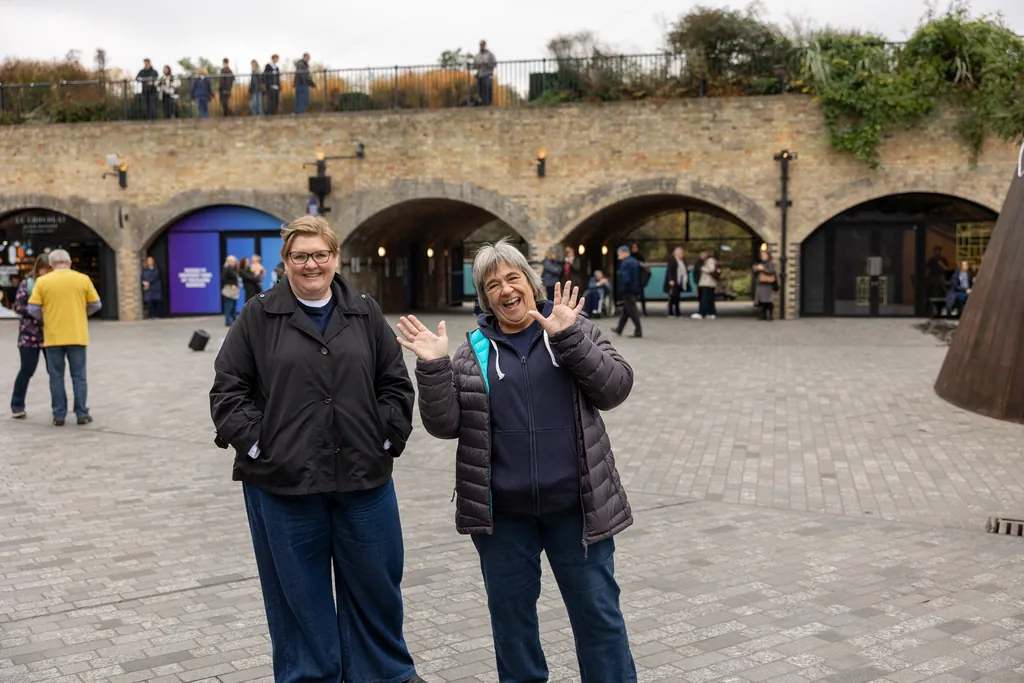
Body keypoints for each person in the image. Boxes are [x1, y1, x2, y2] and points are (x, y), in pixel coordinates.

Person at [398, 237, 637, 683]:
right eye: (493, 285)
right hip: (504, 518)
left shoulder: (572, 329)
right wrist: (433, 366)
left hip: (577, 510)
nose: (505, 290)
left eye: (512, 278)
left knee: (598, 619)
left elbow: (615, 389)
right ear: (484, 297)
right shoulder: (473, 351)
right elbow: (445, 424)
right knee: (513, 628)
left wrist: (568, 337)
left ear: (530, 282)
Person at [210, 215, 426, 683]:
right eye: (300, 256)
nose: (311, 264)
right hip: (283, 483)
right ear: (284, 262)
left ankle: (386, 675)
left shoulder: (364, 312)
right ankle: (310, 677)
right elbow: (228, 392)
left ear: (335, 257)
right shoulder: (258, 315)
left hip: (363, 477)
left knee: (376, 586)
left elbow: (394, 383)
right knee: (298, 597)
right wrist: (259, 446)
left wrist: (386, 437)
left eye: (320, 255)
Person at [26, 249, 102, 427]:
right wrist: (82, 313)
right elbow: (96, 304)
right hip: (77, 333)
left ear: (51, 265)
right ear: (69, 263)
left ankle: (59, 414)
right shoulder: (82, 279)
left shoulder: (43, 282)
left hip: (53, 335)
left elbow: (33, 309)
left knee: (56, 377)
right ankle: (81, 413)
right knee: (79, 376)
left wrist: (46, 317)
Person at [10, 254, 51, 419]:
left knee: (54, 372)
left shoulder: (53, 285)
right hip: (29, 335)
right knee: (27, 369)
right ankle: (17, 405)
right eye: (44, 269)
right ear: (38, 268)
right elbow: (18, 306)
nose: (47, 272)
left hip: (50, 335)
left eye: (50, 269)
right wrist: (36, 312)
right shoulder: (27, 284)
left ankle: (59, 406)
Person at [614, 244, 642, 338]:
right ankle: (619, 328)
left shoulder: (625, 263)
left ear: (624, 252)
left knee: (632, 310)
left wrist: (622, 288)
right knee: (626, 310)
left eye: (619, 253)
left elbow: (625, 278)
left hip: (628, 289)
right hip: (634, 288)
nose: (618, 254)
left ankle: (638, 330)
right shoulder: (634, 261)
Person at [693, 250, 719, 320]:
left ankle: (701, 313)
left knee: (705, 298)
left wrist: (703, 269)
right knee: (710, 299)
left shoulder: (710, 260)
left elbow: (711, 270)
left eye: (703, 254)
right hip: (709, 283)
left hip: (707, 283)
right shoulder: (708, 261)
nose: (701, 256)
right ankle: (712, 313)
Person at [753, 249, 777, 321]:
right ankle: (763, 315)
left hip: (767, 284)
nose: (763, 257)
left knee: (768, 300)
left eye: (764, 255)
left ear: (768, 256)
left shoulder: (770, 263)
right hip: (760, 283)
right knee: (762, 300)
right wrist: (756, 269)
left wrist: (763, 269)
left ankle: (770, 315)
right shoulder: (760, 263)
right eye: (762, 255)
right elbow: (756, 273)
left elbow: (771, 271)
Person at [664, 246, 686, 318]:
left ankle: (677, 312)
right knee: (672, 297)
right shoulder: (672, 260)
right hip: (673, 281)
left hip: (679, 281)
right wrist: (670, 280)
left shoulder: (682, 261)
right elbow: (669, 270)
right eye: (681, 253)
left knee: (677, 297)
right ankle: (670, 312)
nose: (682, 255)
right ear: (677, 253)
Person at [474, 40, 497, 106]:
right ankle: (482, 103)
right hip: (480, 75)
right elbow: (475, 65)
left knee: (487, 89)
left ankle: (488, 103)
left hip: (488, 74)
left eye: (483, 45)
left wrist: (487, 64)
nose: (482, 46)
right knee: (481, 90)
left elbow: (494, 64)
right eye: (481, 45)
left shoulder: (490, 55)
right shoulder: (477, 56)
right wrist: (478, 66)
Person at [221, 256, 240, 326]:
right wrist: (231, 284)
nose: (234, 263)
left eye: (235, 261)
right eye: (233, 261)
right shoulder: (227, 268)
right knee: (228, 306)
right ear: (229, 261)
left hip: (234, 291)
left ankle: (234, 320)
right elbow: (223, 278)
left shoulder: (233, 268)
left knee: (233, 306)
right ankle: (228, 321)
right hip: (229, 290)